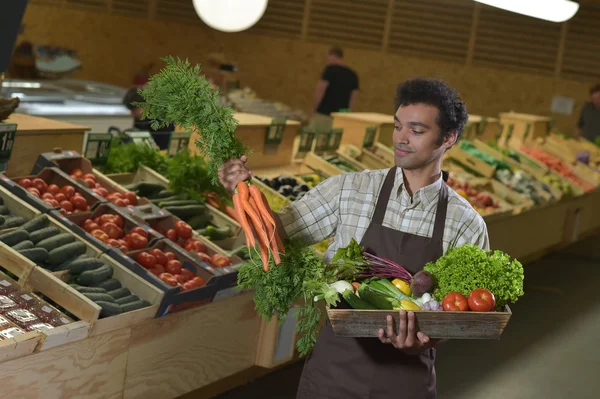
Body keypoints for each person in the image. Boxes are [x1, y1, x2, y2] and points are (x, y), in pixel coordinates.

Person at [219, 77, 489, 399]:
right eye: (397, 126)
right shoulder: (350, 190)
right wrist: (244, 191)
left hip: (405, 383)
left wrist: (425, 341)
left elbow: (462, 312)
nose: (401, 139)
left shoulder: (465, 222)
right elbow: (278, 234)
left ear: (448, 138)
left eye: (416, 131)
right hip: (334, 374)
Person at [309, 46, 359, 132]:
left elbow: (320, 91)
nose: (327, 60)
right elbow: (353, 99)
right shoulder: (353, 75)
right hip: (341, 116)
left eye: (328, 57)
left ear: (332, 55)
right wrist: (347, 115)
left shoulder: (329, 70)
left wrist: (314, 109)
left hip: (324, 113)